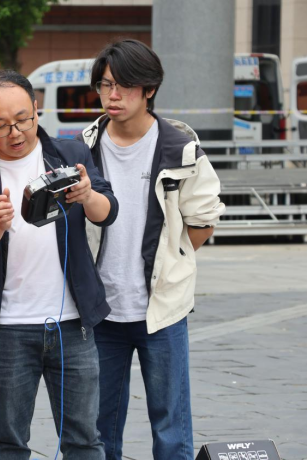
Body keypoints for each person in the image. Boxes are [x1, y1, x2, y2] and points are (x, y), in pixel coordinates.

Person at [0, 70, 118, 459]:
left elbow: (107, 212)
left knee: (84, 439)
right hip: (8, 326)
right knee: (7, 441)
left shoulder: (71, 154)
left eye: (23, 119)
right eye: (1, 125)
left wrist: (87, 195)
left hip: (73, 323)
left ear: (36, 110)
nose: (15, 133)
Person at [79, 39, 225, 460]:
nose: (113, 95)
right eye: (106, 85)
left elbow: (203, 221)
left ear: (149, 89)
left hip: (161, 310)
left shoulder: (180, 148)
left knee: (170, 426)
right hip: (102, 310)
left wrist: (169, 261)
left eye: (124, 85)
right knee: (97, 428)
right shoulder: (85, 146)